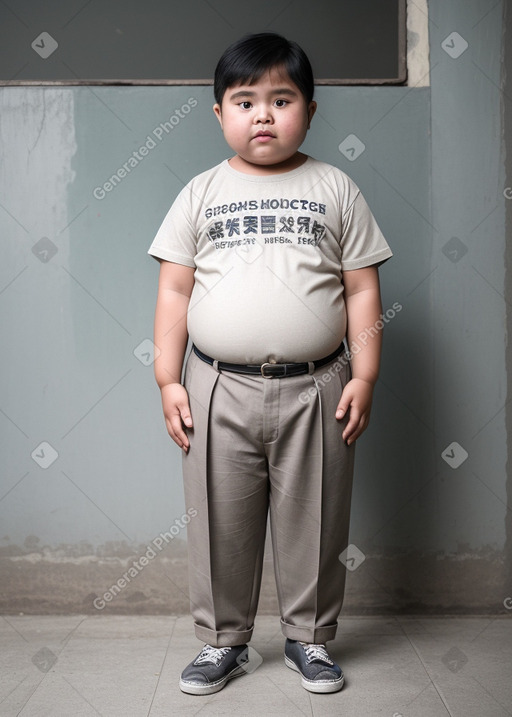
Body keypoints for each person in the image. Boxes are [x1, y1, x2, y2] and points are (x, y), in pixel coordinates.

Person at [148, 32, 393, 696]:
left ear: (310, 111)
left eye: (281, 100)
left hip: (317, 384)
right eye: (245, 100)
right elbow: (174, 288)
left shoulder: (335, 187)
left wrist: (364, 375)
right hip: (216, 383)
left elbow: (363, 288)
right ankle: (222, 641)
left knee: (314, 513)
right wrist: (168, 377)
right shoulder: (201, 193)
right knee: (218, 512)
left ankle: (309, 636)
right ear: (220, 114)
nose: (263, 115)